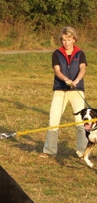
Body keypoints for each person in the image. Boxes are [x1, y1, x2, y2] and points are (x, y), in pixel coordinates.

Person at [41, 26, 88, 158]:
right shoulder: (57, 53)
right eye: (63, 40)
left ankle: (82, 152)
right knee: (53, 120)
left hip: (77, 91)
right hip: (60, 90)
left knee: (80, 122)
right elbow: (57, 70)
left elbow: (83, 69)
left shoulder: (80, 53)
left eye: (68, 39)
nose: (66, 43)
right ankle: (49, 150)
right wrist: (66, 79)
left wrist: (77, 80)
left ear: (74, 39)